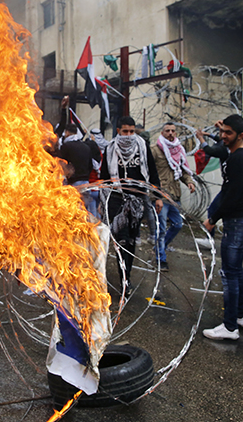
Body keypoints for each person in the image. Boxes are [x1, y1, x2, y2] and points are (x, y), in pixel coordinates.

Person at [202, 115, 243, 340]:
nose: (223, 136)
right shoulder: (239, 155)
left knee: (229, 275)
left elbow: (231, 196)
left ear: (240, 135)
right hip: (241, 220)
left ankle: (230, 326)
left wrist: (213, 218)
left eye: (228, 133)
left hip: (237, 221)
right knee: (236, 273)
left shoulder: (238, 159)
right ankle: (241, 316)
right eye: (222, 131)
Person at [100, 116, 163, 299]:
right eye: (125, 131)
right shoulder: (110, 149)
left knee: (131, 242)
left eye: (132, 131)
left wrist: (157, 196)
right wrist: (102, 201)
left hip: (137, 200)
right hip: (116, 200)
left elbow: (152, 171)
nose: (129, 135)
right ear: (118, 130)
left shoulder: (142, 147)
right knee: (119, 241)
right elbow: (104, 177)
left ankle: (125, 277)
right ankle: (121, 277)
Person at [151, 122, 196, 271]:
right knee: (161, 228)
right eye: (167, 131)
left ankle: (160, 248)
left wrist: (189, 182)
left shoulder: (178, 150)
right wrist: (154, 194)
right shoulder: (155, 151)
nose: (171, 133)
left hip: (175, 195)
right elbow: (149, 172)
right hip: (161, 195)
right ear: (162, 133)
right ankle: (160, 259)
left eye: (173, 131)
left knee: (177, 224)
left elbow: (183, 170)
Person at [59, 123, 98, 217]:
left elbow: (60, 165)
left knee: (74, 212)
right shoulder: (86, 147)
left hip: (73, 184)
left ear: (67, 132)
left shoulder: (66, 147)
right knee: (85, 210)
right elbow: (90, 165)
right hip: (85, 182)